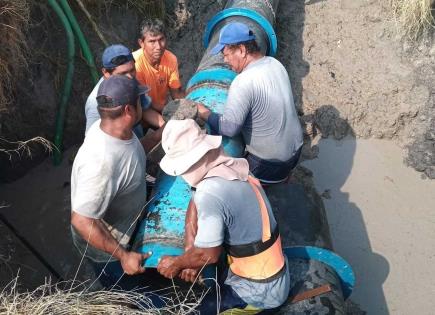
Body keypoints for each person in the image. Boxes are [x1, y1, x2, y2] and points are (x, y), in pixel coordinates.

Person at [156, 119, 290, 314]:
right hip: (271, 271)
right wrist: (190, 251)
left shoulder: (210, 193)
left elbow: (209, 256)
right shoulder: (231, 166)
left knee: (200, 309)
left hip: (262, 292)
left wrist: (177, 263)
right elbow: (194, 204)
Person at [71, 75, 154, 290]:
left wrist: (162, 135)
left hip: (126, 225)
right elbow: (81, 220)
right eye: (139, 100)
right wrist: (123, 256)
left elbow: (131, 156)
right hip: (109, 255)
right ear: (128, 110)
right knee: (133, 294)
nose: (142, 103)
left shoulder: (114, 128)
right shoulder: (101, 161)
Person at [197, 22, 303, 185]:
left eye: (226, 54)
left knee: (238, 187)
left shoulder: (244, 81)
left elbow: (229, 128)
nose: (225, 60)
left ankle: (266, 190)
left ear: (242, 50)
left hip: (270, 163)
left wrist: (204, 112)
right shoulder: (275, 64)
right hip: (296, 151)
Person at [84, 44, 152, 138]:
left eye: (132, 70)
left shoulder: (131, 81)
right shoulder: (96, 104)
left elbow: (145, 110)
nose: (129, 77)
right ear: (106, 73)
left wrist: (164, 125)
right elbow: (94, 140)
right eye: (122, 73)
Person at [133, 18, 185, 129]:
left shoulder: (171, 59)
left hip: (162, 108)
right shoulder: (135, 65)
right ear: (141, 43)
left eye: (161, 39)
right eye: (152, 41)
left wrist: (187, 108)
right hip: (142, 111)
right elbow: (143, 103)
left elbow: (176, 93)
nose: (158, 47)